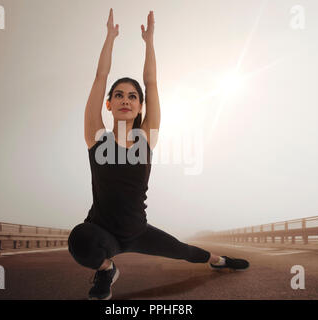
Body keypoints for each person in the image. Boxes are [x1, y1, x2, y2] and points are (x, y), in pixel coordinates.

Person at [68, 8, 249, 300]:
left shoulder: (145, 139)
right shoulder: (97, 139)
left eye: (132, 97)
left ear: (140, 107)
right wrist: (109, 38)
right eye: (119, 95)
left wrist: (149, 41)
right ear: (108, 105)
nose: (125, 100)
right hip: (102, 231)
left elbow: (151, 83)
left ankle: (220, 261)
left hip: (138, 230)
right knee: (79, 239)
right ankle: (106, 270)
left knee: (186, 251)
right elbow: (100, 77)